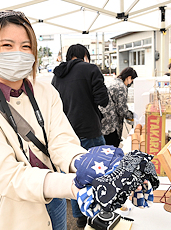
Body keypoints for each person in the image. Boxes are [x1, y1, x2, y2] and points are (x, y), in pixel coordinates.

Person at [0, 11, 88, 230]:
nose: (18, 53)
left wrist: (83, 164)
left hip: (54, 197)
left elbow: (61, 141)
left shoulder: (46, 91)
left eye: (26, 47)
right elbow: (8, 175)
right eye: (7, 45)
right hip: (10, 211)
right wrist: (76, 186)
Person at [51, 44, 109, 228]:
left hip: (66, 134)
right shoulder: (90, 69)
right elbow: (103, 100)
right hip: (89, 130)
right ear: (84, 56)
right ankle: (100, 212)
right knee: (100, 172)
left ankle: (80, 216)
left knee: (75, 174)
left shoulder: (56, 76)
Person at [100, 67, 137, 147]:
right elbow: (122, 109)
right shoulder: (121, 87)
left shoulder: (114, 82)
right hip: (111, 125)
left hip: (103, 122)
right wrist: (133, 116)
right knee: (112, 149)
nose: (130, 83)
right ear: (129, 77)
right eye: (132, 81)